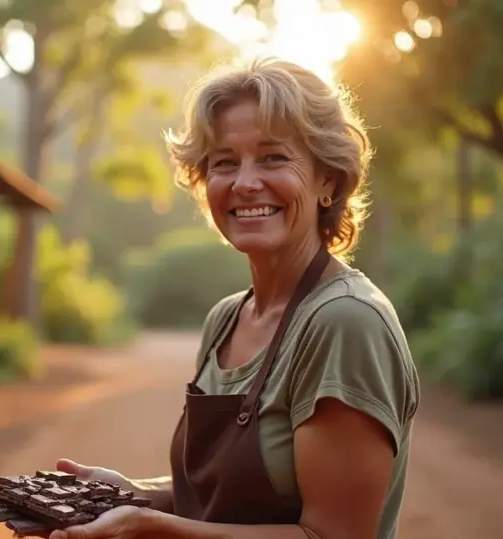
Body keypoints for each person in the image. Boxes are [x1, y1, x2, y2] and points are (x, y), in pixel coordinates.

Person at [48, 58, 421, 539]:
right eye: (224, 162)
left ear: (328, 180)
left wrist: (151, 528)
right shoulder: (227, 318)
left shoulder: (345, 322)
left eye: (272, 158)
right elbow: (233, 498)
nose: (245, 182)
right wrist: (132, 494)